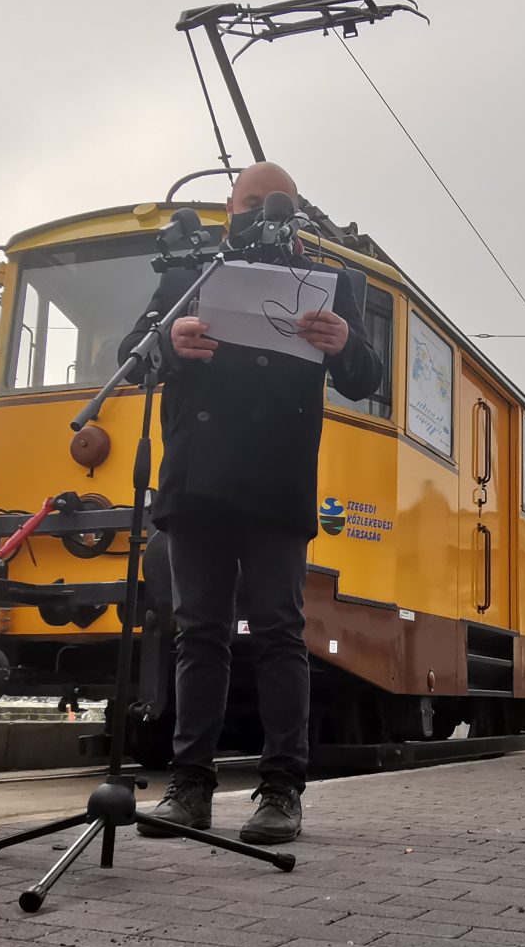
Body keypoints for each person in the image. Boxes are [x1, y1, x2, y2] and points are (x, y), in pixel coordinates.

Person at [127, 162, 381, 846]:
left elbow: (366, 379)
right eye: (252, 201)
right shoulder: (190, 275)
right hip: (196, 478)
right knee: (198, 631)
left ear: (297, 210)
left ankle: (281, 791)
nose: (265, 210)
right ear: (228, 209)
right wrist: (169, 346)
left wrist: (345, 342)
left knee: (278, 633)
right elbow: (131, 355)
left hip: (276, 479)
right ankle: (189, 788)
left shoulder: (335, 284)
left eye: (280, 201)